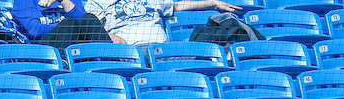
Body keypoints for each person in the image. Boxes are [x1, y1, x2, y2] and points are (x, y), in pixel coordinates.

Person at [83, 0, 240, 48]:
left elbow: (177, 6)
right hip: (131, 51)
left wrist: (212, 3)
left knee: (203, 55)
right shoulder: (98, 1)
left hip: (164, 49)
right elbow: (93, 27)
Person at [11, 0, 111, 47]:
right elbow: (34, 30)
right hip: (42, 49)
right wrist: (68, 28)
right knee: (70, 23)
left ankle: (112, 60)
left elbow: (85, 22)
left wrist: (64, 0)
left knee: (90, 18)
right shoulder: (23, 1)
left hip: (76, 44)